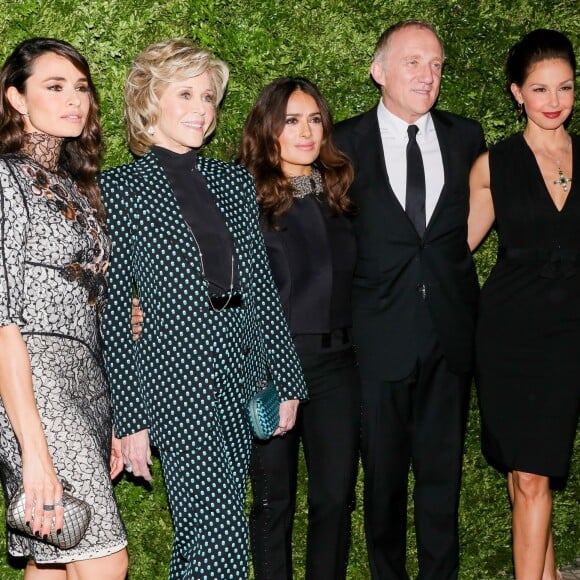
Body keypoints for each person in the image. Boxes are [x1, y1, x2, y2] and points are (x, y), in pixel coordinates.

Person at [99, 39, 306, 579]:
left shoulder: (232, 180)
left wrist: (285, 380)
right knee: (215, 526)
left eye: (210, 96)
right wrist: (131, 417)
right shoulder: (119, 189)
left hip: (239, 369)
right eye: (186, 93)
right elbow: (116, 313)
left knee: (211, 529)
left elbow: (260, 288)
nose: (202, 108)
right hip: (175, 377)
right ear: (150, 101)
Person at [333, 20, 486, 579]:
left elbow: (462, 225)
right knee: (384, 482)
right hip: (377, 338)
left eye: (437, 65)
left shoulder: (467, 137)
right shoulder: (341, 143)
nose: (428, 76)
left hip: (449, 333)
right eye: (413, 62)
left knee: (443, 479)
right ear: (379, 71)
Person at [0, 38, 128, 578]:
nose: (74, 99)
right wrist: (32, 449)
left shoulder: (78, 190)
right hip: (31, 381)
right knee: (104, 562)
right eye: (55, 87)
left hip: (86, 383)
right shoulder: (5, 179)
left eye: (80, 87)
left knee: (56, 556)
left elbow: (91, 309)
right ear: (17, 98)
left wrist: (114, 416)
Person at [238, 77, 360, 580]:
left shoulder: (337, 196)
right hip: (273, 366)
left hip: (338, 369)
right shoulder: (247, 202)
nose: (306, 132)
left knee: (334, 501)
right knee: (274, 505)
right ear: (269, 130)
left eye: (314, 119)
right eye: (291, 120)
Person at [468, 29, 578, 580]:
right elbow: (451, 248)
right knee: (525, 478)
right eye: (540, 89)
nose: (554, 101)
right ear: (517, 92)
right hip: (509, 334)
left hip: (570, 336)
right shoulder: (494, 166)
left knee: (534, 476)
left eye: (564, 87)